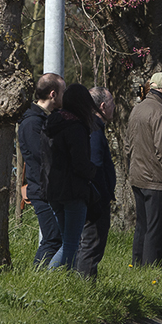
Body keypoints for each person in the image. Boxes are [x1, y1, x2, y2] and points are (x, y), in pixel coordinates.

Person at [44, 84, 100, 271]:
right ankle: (50, 279)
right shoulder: (76, 127)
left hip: (53, 188)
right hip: (73, 190)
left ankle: (57, 278)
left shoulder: (52, 124)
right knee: (71, 244)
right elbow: (80, 163)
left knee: (65, 240)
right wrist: (94, 172)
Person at [129, 71, 162, 265]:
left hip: (138, 176)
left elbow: (127, 145)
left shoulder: (137, 109)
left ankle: (137, 265)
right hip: (156, 179)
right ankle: (150, 270)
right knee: (155, 229)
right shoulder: (161, 112)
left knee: (141, 226)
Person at [19, 73, 65, 266]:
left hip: (50, 188)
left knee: (57, 237)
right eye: (63, 92)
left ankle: (50, 276)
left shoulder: (46, 118)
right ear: (53, 94)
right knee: (53, 238)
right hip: (42, 190)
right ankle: (39, 275)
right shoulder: (32, 123)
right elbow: (43, 156)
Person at [76, 87, 117, 279]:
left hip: (93, 196)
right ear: (102, 106)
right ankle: (84, 286)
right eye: (112, 103)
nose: (114, 107)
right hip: (95, 199)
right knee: (92, 245)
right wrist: (100, 196)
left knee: (89, 245)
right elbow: (95, 166)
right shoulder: (94, 130)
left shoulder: (91, 126)